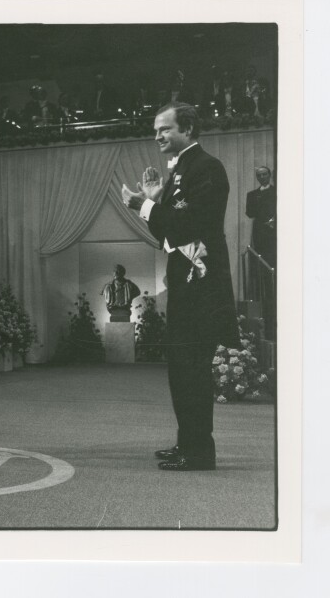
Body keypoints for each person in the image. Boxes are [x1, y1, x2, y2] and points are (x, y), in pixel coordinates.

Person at [122, 102, 239, 471]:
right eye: (156, 130)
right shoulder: (180, 173)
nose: (157, 136)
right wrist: (155, 202)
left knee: (192, 369)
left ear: (187, 129)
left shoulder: (206, 168)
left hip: (200, 288)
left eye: (164, 129)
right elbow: (166, 230)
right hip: (186, 284)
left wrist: (144, 206)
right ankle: (187, 444)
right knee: (181, 369)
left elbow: (186, 226)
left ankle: (200, 453)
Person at [245, 166, 276, 268]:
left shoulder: (277, 192)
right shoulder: (252, 195)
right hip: (259, 232)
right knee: (260, 261)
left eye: (264, 174)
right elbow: (249, 213)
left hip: (274, 231)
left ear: (270, 175)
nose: (262, 177)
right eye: (259, 175)